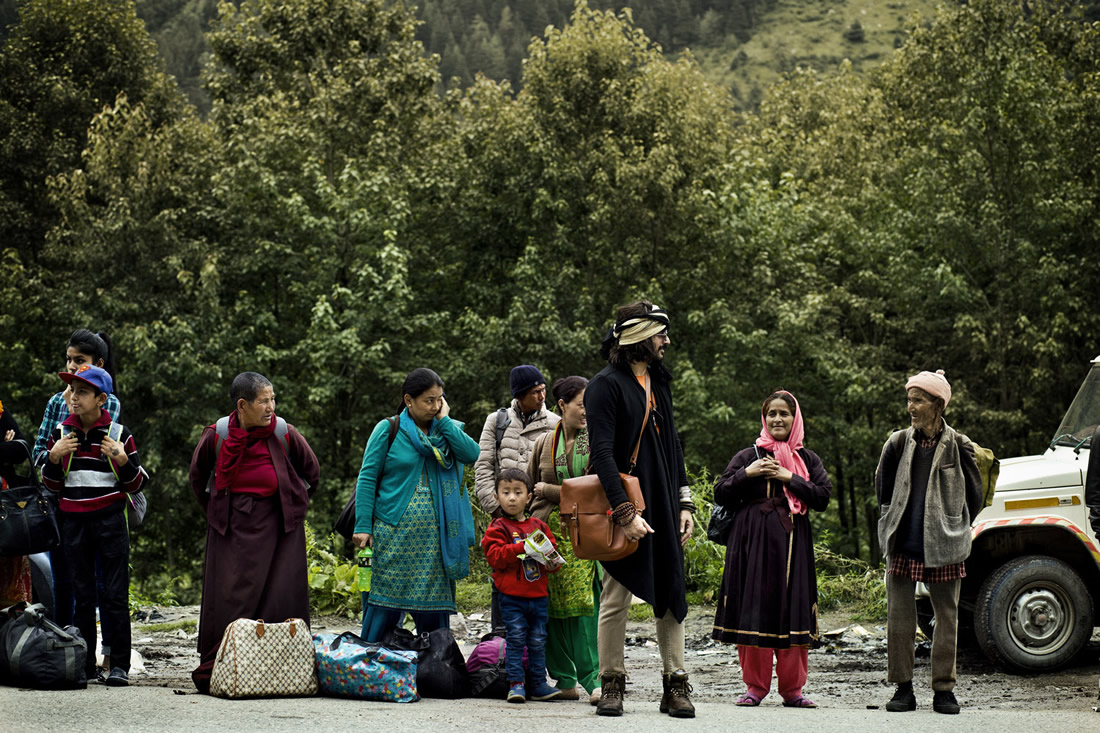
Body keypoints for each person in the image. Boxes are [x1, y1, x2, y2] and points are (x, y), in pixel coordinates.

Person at [585, 301, 696, 718]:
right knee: (615, 596)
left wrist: (683, 502)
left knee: (671, 589)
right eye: (659, 333)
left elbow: (674, 445)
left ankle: (676, 684)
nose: (666, 341)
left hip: (664, 502)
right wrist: (625, 513)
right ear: (636, 337)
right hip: (625, 504)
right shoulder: (605, 386)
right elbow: (601, 453)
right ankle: (611, 683)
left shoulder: (659, 382)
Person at [188, 371, 320, 693]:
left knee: (280, 598)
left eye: (273, 399)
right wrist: (219, 514)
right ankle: (223, 668)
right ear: (243, 405)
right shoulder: (218, 434)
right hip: (232, 530)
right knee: (230, 600)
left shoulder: (283, 432)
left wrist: (290, 502)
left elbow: (311, 473)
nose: (271, 406)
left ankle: (281, 673)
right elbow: (197, 478)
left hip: (280, 529)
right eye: (264, 401)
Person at [712, 390, 832, 708]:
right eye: (771, 414)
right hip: (749, 547)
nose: (777, 419)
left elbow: (822, 497)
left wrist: (789, 476)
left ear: (795, 419)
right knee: (754, 610)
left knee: (792, 609)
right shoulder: (747, 455)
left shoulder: (807, 460)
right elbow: (721, 492)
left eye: (784, 413)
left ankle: (793, 691)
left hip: (793, 548)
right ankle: (755, 688)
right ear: (764, 419)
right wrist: (747, 473)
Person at [876, 369, 982, 715]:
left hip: (945, 543)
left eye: (918, 400)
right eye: (909, 399)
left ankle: (943, 690)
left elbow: (975, 494)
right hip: (903, 543)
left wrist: (955, 523)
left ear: (938, 405)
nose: (911, 406)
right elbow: (884, 489)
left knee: (946, 618)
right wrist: (889, 521)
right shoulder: (896, 443)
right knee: (899, 619)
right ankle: (903, 688)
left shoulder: (959, 444)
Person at [352, 368, 480, 641]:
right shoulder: (388, 429)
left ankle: (435, 669)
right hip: (392, 535)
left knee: (434, 614)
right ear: (409, 400)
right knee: (383, 605)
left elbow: (471, 454)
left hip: (436, 541)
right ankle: (373, 665)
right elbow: (367, 477)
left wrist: (444, 420)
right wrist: (363, 525)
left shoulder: (447, 430)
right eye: (428, 401)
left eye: (439, 400)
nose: (435, 406)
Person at [41, 365, 148, 687]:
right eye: (72, 391)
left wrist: (123, 460)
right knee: (82, 595)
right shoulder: (62, 434)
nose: (74, 398)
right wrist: (54, 458)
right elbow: (52, 484)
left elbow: (136, 484)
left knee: (115, 595)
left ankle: (119, 665)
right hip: (73, 521)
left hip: (110, 521)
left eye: (82, 392)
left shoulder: (118, 435)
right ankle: (84, 664)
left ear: (102, 399)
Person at [31, 329, 122, 639]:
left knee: (101, 582)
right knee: (63, 579)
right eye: (68, 360)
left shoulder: (110, 404)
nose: (71, 367)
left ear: (98, 364)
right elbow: (38, 451)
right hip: (61, 502)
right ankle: (64, 646)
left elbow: (107, 451)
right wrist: (53, 455)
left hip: (100, 505)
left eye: (79, 361)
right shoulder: (57, 401)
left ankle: (108, 654)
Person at [527, 375, 602, 704]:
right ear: (562, 405)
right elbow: (530, 487)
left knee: (584, 607)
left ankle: (593, 678)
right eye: (581, 404)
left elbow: (598, 492)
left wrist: (551, 490)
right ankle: (564, 679)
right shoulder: (545, 442)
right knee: (549, 609)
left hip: (583, 536)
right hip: (547, 537)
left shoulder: (599, 441)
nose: (587, 412)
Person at [474, 365, 559, 633]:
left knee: (537, 581)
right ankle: (501, 647)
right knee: (503, 578)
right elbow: (483, 467)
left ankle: (536, 653)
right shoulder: (497, 422)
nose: (542, 396)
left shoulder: (555, 424)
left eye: (543, 390)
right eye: (535, 392)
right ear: (520, 395)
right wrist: (497, 509)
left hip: (538, 517)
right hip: (503, 517)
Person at [481, 467, 563, 703]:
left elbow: (552, 556)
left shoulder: (539, 527)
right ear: (497, 496)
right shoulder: (497, 528)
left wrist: (551, 563)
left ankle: (538, 683)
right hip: (512, 597)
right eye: (506, 492)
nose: (512, 497)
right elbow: (495, 557)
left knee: (538, 640)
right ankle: (516, 683)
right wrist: (521, 547)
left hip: (538, 596)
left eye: (518, 492)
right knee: (515, 638)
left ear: (529, 497)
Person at [0, 401, 32, 606]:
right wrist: (4, 447)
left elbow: (21, 449)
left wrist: (5, 448)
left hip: (5, 511)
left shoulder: (1, 411)